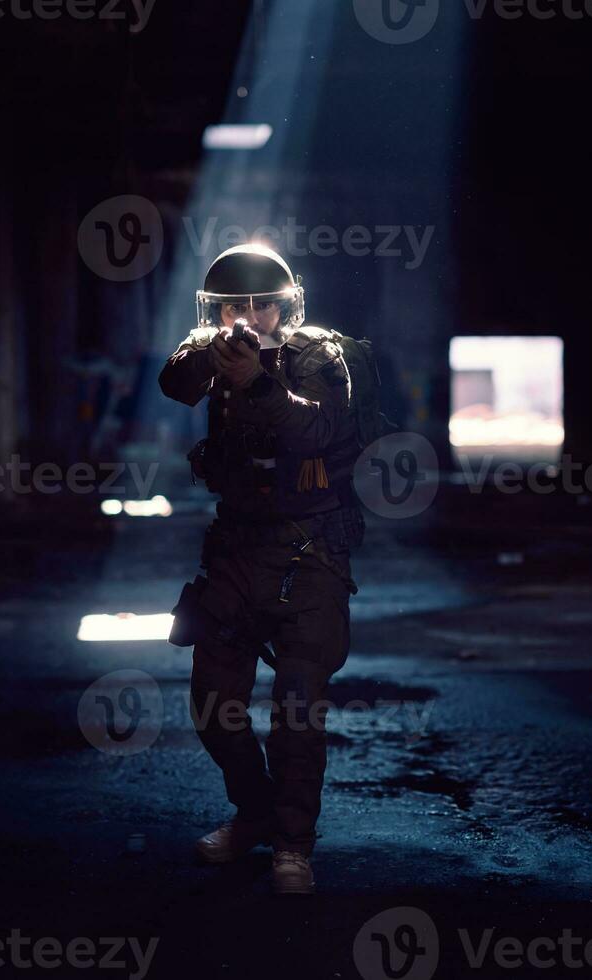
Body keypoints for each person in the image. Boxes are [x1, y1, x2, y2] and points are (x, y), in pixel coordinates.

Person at [158, 243, 365, 895]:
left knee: (298, 710)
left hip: (309, 552)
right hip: (237, 551)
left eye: (260, 305)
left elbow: (318, 430)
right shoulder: (216, 349)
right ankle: (256, 813)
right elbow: (174, 383)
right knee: (213, 702)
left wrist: (257, 383)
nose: (248, 317)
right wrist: (209, 353)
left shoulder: (319, 355)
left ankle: (294, 844)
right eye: (233, 307)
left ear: (285, 305)